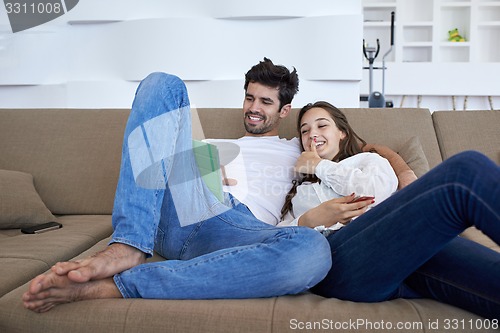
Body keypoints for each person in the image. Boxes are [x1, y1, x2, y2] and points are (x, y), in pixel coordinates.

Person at [22, 58, 333, 313]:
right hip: (171, 210)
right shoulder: (207, 144)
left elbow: (369, 154)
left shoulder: (297, 148)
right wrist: (203, 170)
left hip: (235, 231)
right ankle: (129, 245)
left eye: (266, 102)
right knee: (163, 83)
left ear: (284, 111)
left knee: (311, 249)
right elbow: (158, 162)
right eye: (250, 97)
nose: (254, 107)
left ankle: (117, 285)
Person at [282, 101, 500, 319]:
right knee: (465, 170)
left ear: (342, 133)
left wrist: (319, 166)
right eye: (305, 130)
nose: (312, 134)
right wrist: (309, 219)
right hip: (341, 262)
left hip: (399, 252)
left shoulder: (369, 160)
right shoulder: (300, 193)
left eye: (321, 126)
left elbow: (375, 192)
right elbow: (278, 237)